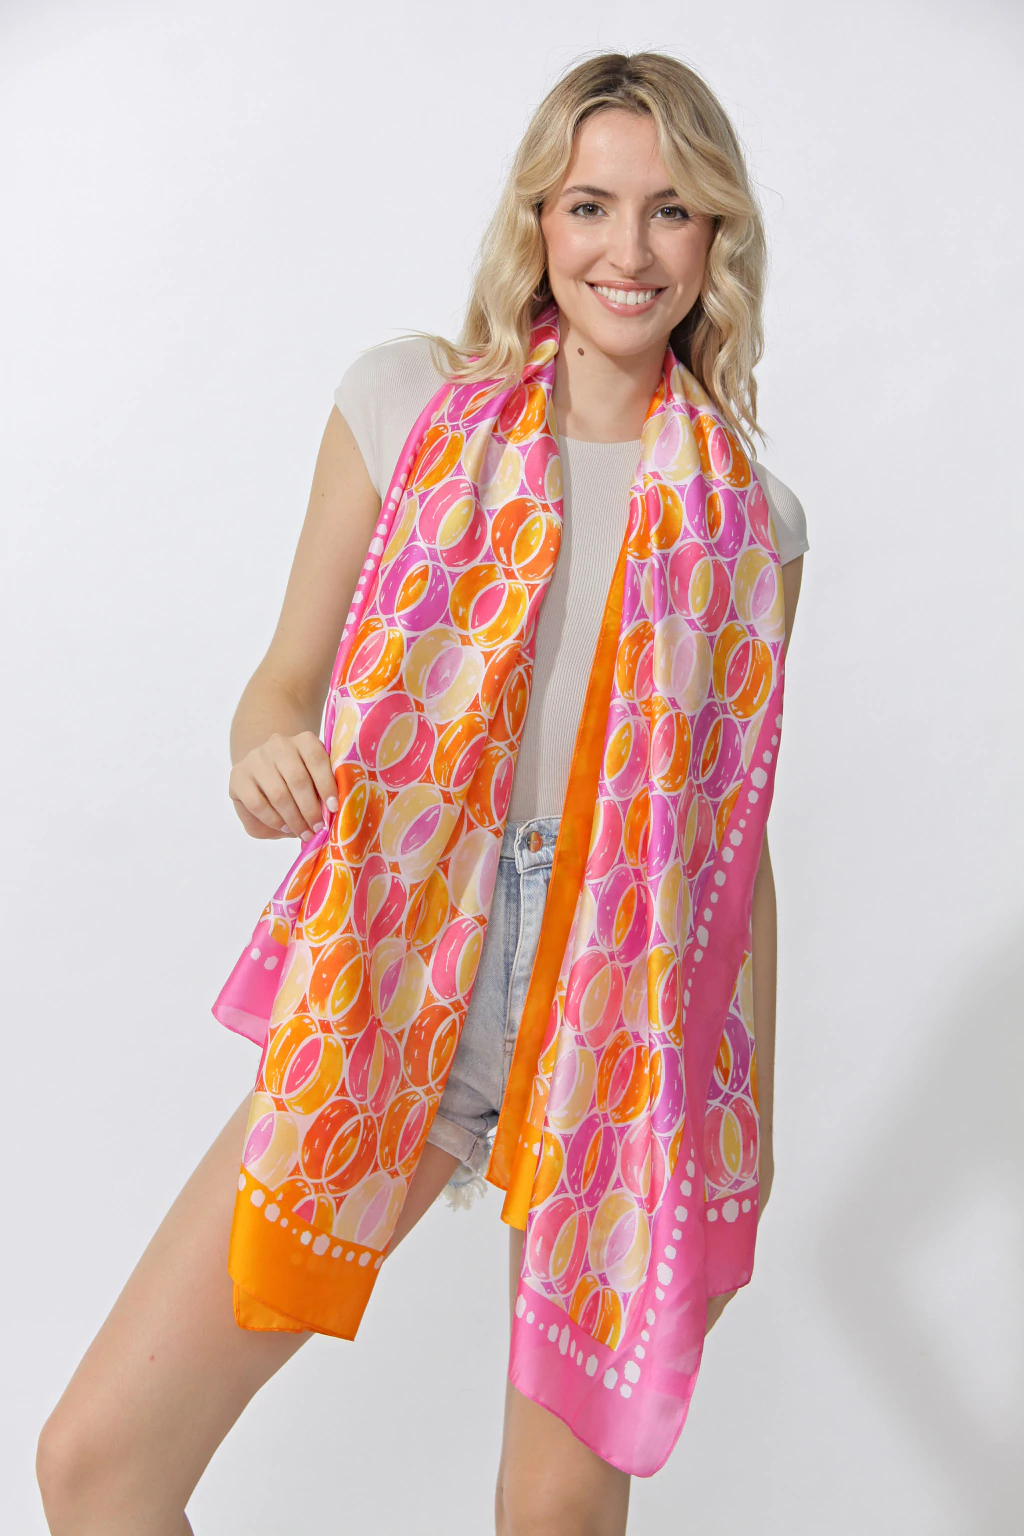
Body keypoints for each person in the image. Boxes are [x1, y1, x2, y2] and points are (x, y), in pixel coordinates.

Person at [36, 49, 807, 1536]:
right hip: (403, 962)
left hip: (631, 1027)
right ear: (539, 221)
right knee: (100, 1466)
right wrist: (264, 750)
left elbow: (735, 848)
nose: (629, 250)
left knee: (553, 1522)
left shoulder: (753, 523)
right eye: (591, 205)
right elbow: (280, 686)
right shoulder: (407, 405)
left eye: (671, 210)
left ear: (717, 235)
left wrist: (747, 1133)